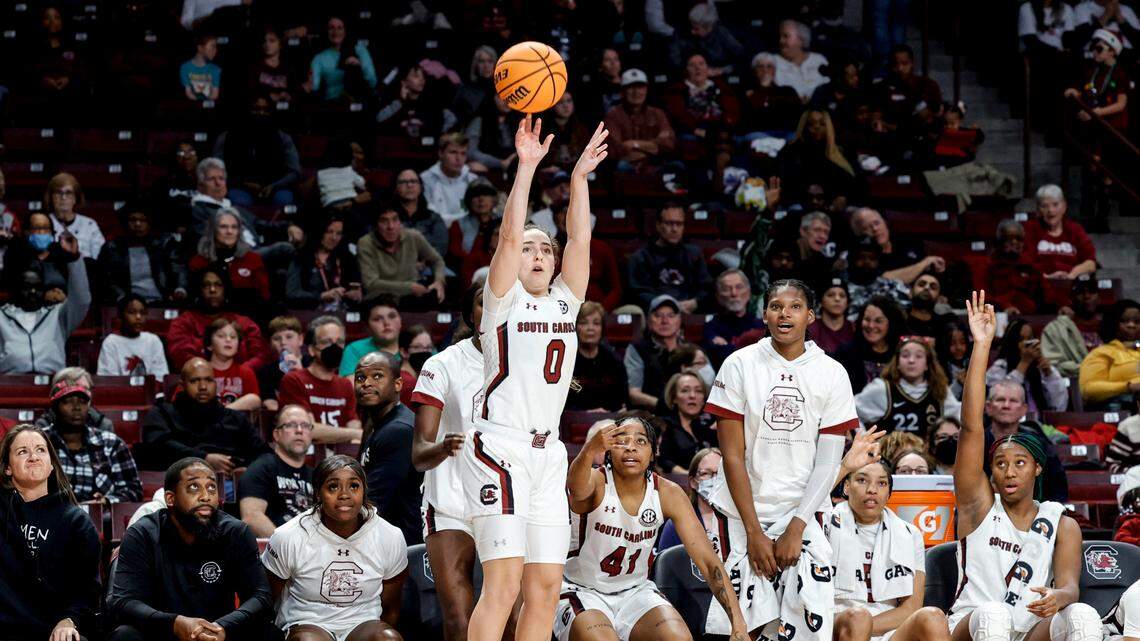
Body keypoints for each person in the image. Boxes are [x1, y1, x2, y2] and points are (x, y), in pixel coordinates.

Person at [460, 116, 608, 641]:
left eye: (545, 248)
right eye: (531, 248)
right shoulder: (502, 301)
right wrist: (526, 168)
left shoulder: (566, 302)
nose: (540, 254)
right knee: (502, 585)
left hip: (548, 456)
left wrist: (579, 180)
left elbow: (580, 237)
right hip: (498, 448)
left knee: (546, 586)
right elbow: (505, 236)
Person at [701, 278, 858, 640]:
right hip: (742, 513)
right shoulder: (739, 364)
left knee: (805, 625)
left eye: (795, 306)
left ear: (811, 316)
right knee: (743, 629)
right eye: (775, 306)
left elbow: (828, 462)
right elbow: (732, 456)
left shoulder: (832, 373)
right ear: (765, 314)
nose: (784, 313)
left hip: (804, 511)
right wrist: (755, 532)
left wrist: (797, 525)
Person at [946, 290, 1101, 641]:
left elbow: (1069, 588)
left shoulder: (1060, 522)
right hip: (973, 621)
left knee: (1082, 615)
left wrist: (1057, 598)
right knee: (996, 615)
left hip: (1028, 627)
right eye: (1000, 463)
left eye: (1020, 463)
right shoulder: (979, 506)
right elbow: (971, 428)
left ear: (1037, 469)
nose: (1009, 471)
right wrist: (982, 345)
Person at [558, 415, 749, 641]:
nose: (631, 448)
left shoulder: (668, 493)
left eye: (640, 441)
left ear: (653, 453)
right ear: (608, 451)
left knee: (679, 638)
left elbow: (708, 561)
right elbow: (575, 486)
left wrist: (738, 624)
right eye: (621, 441)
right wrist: (589, 449)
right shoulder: (595, 482)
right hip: (584, 591)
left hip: (636, 591)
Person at [107, 457, 273, 641]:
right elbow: (123, 601)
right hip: (163, 632)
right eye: (194, 487)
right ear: (170, 498)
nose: (205, 496)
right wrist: (174, 623)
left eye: (211, 487)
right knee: (125, 636)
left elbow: (261, 596)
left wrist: (223, 626)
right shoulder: (143, 533)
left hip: (219, 633)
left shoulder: (236, 532)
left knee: (268, 632)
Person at [262, 454, 408, 641]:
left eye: (354, 486)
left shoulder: (390, 536)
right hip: (307, 621)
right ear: (317, 493)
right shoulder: (288, 536)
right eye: (333, 487)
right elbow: (268, 600)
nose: (344, 495)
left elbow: (391, 608)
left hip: (362, 623)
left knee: (389, 639)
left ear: (364, 491)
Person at [410, 285, 484, 641]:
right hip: (452, 501)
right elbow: (419, 453)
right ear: (470, 314)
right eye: (486, 301)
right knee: (459, 619)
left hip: (509, 501)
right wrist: (444, 447)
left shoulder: (527, 366)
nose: (497, 308)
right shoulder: (442, 364)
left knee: (517, 620)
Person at [0, 425, 101, 641]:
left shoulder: (76, 521)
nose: (33, 457)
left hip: (53, 630)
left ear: (52, 465)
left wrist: (69, 619)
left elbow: (88, 588)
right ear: (7, 468)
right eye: (22, 451)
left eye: (40, 450)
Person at [830, 460, 950, 641]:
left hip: (888, 630)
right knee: (858, 618)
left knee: (933, 616)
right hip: (835, 624)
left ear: (889, 494)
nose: (872, 489)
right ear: (846, 487)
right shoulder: (824, 524)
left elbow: (910, 609)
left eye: (881, 483)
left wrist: (866, 626)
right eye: (862, 480)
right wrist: (860, 625)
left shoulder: (910, 534)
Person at [138, 358, 268, 472]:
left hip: (231, 484)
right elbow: (157, 446)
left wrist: (246, 470)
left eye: (209, 380)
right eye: (195, 381)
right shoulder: (162, 413)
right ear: (182, 385)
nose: (203, 387)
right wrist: (203, 459)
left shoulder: (235, 419)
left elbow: (262, 453)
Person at [34, 378, 143, 503]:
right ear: (54, 409)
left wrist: (106, 501)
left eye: (82, 402)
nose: (76, 407)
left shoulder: (111, 443)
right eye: (68, 402)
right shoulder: (38, 442)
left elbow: (133, 490)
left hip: (99, 518)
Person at [0, 235, 90, 375]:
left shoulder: (57, 315)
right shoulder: (2, 317)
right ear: (16, 289)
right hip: (10, 384)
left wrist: (74, 259)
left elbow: (82, 300)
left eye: (38, 287)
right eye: (27, 287)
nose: (33, 292)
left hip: (52, 383)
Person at [355, 352, 420, 545]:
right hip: (385, 538)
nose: (366, 383)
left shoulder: (398, 430)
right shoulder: (375, 424)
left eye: (377, 376)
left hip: (404, 545)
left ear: (398, 384)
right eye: (360, 377)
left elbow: (373, 501)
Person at [983, 379, 1070, 503]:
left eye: (1013, 401)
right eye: (1000, 400)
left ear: (1024, 409)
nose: (1006, 405)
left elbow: (1058, 491)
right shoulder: (975, 444)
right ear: (988, 407)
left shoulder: (1039, 444)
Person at [167, 266, 270, 370]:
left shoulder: (245, 323)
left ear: (226, 290)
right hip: (199, 380)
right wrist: (211, 372)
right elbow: (180, 356)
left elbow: (260, 356)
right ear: (199, 290)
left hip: (240, 380)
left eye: (218, 285)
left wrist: (238, 373)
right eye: (206, 285)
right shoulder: (183, 322)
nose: (212, 290)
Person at [279, 316, 361, 444]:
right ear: (311, 349)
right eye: (327, 342)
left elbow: (354, 425)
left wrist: (354, 434)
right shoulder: (294, 380)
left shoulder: (345, 384)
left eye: (339, 342)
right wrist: (354, 434)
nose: (334, 347)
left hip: (339, 459)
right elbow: (309, 429)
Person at [856, 336, 961, 433]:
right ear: (897, 363)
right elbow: (850, 414)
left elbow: (962, 419)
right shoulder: (881, 389)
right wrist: (865, 444)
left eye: (919, 356)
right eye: (905, 355)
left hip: (928, 453)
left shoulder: (940, 390)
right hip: (891, 452)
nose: (911, 360)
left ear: (927, 364)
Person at [238, 404, 314, 537]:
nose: (299, 430)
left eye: (305, 425)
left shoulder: (316, 476)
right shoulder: (262, 468)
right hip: (276, 551)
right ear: (276, 434)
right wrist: (287, 547)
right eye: (291, 425)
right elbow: (251, 517)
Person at [212, 96, 300, 207]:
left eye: (265, 110)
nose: (261, 113)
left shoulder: (283, 138)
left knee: (285, 202)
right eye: (256, 109)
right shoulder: (226, 137)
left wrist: (274, 186)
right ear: (247, 110)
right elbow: (216, 171)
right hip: (239, 187)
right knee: (240, 203)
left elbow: (294, 171)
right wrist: (243, 184)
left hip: (276, 188)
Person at [627, 203, 713, 313]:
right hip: (655, 313)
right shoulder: (640, 258)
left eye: (679, 224)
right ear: (658, 225)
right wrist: (666, 305)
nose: (674, 229)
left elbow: (706, 288)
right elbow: (638, 293)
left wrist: (695, 302)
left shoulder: (694, 254)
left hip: (689, 311)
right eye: (669, 223)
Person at [97, 202, 188, 304]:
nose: (137, 224)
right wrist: (121, 297)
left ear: (149, 223)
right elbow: (107, 279)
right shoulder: (112, 247)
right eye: (133, 220)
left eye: (142, 220)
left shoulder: (164, 243)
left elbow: (179, 269)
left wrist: (180, 289)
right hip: (127, 303)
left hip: (162, 300)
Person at [357, 203, 447, 305]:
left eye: (395, 220)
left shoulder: (413, 236)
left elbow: (437, 260)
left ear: (401, 222)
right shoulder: (365, 243)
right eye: (384, 221)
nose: (391, 227)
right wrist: (409, 287)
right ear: (375, 226)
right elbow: (371, 283)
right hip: (379, 299)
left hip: (412, 298)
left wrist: (439, 281)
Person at [189, 208, 272, 307]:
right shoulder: (199, 261)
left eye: (234, 227)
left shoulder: (253, 259)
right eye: (223, 227)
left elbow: (264, 297)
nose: (229, 231)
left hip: (247, 317)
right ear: (213, 230)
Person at [341, 295, 416, 404]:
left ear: (400, 321)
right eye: (377, 319)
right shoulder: (354, 349)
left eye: (392, 316)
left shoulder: (418, 346)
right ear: (367, 326)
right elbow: (353, 389)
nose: (386, 323)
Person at [778, 110, 861, 203]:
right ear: (803, 127)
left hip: (838, 206)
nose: (817, 127)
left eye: (822, 123)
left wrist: (844, 198)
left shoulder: (843, 150)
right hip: (801, 203)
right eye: (811, 124)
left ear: (829, 127)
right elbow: (786, 184)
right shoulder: (791, 150)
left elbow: (859, 184)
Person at [986, 319, 1068, 413]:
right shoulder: (999, 368)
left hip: (1040, 424)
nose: (1026, 344)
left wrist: (1050, 376)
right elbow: (1002, 404)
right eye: (1021, 340)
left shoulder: (1042, 368)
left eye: (1029, 339)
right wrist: (1024, 363)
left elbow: (1060, 407)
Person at [603, 68, 678, 172]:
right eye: (631, 87)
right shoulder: (613, 115)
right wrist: (652, 146)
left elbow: (668, 143)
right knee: (622, 166)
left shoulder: (657, 113)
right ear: (622, 91)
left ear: (646, 90)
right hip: (627, 164)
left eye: (640, 87)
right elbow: (612, 148)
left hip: (654, 163)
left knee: (677, 166)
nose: (636, 92)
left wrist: (634, 144)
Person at [850, 208, 945, 286]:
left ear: (885, 223)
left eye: (877, 223)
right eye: (867, 228)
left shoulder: (908, 242)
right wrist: (925, 263)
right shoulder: (862, 258)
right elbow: (884, 281)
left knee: (959, 299)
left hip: (921, 298)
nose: (875, 229)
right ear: (859, 234)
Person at [1020, 185, 1097, 281]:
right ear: (1038, 210)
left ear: (1064, 207)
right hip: (1039, 285)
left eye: (1055, 204)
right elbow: (1025, 265)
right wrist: (1045, 278)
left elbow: (1090, 263)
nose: (1050, 210)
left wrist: (1072, 275)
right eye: (1044, 206)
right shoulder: (1029, 228)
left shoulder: (1075, 229)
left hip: (1072, 286)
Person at [287, 214, 363, 311]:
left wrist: (356, 295)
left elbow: (357, 290)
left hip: (341, 313)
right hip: (310, 313)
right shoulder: (301, 257)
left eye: (339, 233)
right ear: (319, 231)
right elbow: (292, 293)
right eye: (329, 232)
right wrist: (321, 296)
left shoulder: (347, 258)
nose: (334, 238)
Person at [625, 295, 687, 410]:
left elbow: (706, 387)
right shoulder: (637, 349)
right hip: (651, 413)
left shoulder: (691, 350)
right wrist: (665, 406)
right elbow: (634, 394)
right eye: (658, 315)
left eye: (671, 315)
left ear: (679, 321)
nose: (665, 321)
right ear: (649, 321)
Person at [566, 301, 629, 412]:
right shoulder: (566, 360)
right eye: (584, 323)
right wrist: (586, 413)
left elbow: (622, 398)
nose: (590, 328)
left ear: (602, 328)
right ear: (575, 327)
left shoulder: (613, 360)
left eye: (596, 323)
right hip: (575, 421)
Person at [837, 295, 906, 393]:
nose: (871, 325)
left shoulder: (901, 353)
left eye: (878, 321)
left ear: (891, 323)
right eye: (867, 319)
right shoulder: (846, 352)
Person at [1079, 299, 1140, 409]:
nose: (1131, 325)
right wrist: (1129, 387)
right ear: (1113, 323)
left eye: (1137, 322)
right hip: (1127, 406)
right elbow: (1088, 390)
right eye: (1124, 321)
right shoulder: (1102, 353)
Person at [983, 219, 1048, 316]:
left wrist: (1062, 305)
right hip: (998, 315)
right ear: (1000, 241)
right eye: (1009, 238)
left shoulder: (1030, 266)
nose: (1014, 242)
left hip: (1029, 315)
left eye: (1018, 238)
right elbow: (984, 296)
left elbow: (1046, 293)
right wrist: (1005, 307)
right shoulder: (989, 265)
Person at [1042, 276, 1103, 377]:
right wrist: (1090, 370)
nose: (1086, 296)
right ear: (1071, 299)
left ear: (1099, 298)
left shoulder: (1112, 326)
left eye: (1091, 291)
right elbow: (1053, 365)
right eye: (1080, 292)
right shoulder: (1056, 328)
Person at [97, 294, 170, 377]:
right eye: (132, 312)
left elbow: (161, 377)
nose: (138, 317)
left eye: (142, 313)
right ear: (121, 316)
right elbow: (109, 380)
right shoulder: (111, 342)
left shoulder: (153, 340)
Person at [308, 16, 377, 102]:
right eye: (331, 28)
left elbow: (372, 81)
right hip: (334, 103)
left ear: (345, 31)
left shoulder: (359, 50)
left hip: (359, 101)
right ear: (327, 31)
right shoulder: (319, 58)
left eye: (340, 28)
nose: (336, 32)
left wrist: (359, 65)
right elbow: (314, 86)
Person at [658, 372, 716, 474]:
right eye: (685, 391)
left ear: (704, 399)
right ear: (674, 398)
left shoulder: (709, 428)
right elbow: (663, 460)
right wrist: (688, 475)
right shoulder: (664, 426)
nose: (692, 396)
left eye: (698, 391)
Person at [704, 269, 764, 367]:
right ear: (718, 296)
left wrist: (729, 346)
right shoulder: (711, 328)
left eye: (739, 287)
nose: (734, 293)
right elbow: (720, 358)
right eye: (727, 289)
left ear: (748, 292)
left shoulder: (761, 325)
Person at [844, 236, 911, 320]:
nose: (867, 262)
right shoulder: (839, 288)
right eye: (861, 257)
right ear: (852, 259)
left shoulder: (893, 286)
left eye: (872, 258)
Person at [421, 133, 479, 226]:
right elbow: (428, 214)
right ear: (440, 153)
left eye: (463, 153)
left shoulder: (473, 180)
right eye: (453, 152)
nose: (458, 158)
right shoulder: (425, 179)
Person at [205, 317, 261, 411]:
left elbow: (255, 400)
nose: (228, 340)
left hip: (234, 423)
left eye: (233, 337)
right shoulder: (197, 371)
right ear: (210, 345)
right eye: (221, 336)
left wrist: (224, 412)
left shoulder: (246, 372)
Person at [45, 172, 104, 262]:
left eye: (68, 193)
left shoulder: (89, 224)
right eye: (58, 192)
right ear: (50, 197)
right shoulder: (43, 222)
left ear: (76, 198)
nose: (63, 197)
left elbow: (99, 258)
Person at [742, 53, 804, 135]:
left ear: (774, 71)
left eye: (769, 66)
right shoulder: (747, 92)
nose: (765, 70)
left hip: (785, 132)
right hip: (758, 133)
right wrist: (763, 88)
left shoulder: (787, 90)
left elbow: (795, 109)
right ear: (754, 71)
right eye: (760, 66)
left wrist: (767, 100)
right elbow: (753, 116)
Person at [394, 169, 448, 258]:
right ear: (396, 188)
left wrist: (424, 261)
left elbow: (441, 246)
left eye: (413, 181)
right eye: (403, 182)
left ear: (421, 187)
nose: (409, 185)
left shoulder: (434, 218)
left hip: (428, 264)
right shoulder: (386, 217)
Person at [258, 315, 305, 412]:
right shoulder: (266, 371)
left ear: (300, 339)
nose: (283, 342)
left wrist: (301, 372)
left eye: (289, 337)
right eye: (276, 338)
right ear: (270, 344)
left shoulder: (313, 365)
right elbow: (270, 404)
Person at [773, 20, 830, 101]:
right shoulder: (773, 61)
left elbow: (827, 86)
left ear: (801, 39)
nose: (781, 41)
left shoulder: (818, 59)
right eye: (780, 37)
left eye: (786, 36)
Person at [810, 278, 855, 356]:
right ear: (821, 301)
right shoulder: (811, 328)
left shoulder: (855, 328)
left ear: (848, 302)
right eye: (830, 295)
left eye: (842, 296)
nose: (837, 299)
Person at [906, 272, 954, 339]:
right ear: (911, 291)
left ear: (939, 297)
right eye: (921, 284)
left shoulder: (942, 326)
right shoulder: (898, 319)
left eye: (933, 287)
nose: (927, 287)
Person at [180, 32, 221, 101]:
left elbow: (215, 95)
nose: (216, 50)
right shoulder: (185, 68)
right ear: (200, 48)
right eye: (212, 46)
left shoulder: (215, 69)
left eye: (216, 47)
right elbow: (188, 94)